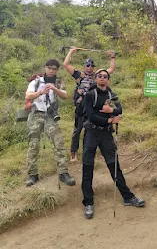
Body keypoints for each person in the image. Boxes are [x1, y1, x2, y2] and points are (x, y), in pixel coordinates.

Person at [82, 69, 145, 219]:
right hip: (91, 132)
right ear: (96, 79)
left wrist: (112, 110)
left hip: (105, 134)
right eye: (100, 76)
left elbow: (120, 109)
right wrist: (109, 119)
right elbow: (90, 115)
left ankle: (128, 197)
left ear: (108, 79)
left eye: (105, 76)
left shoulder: (112, 94)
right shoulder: (90, 94)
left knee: (114, 165)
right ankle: (88, 202)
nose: (102, 78)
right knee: (87, 166)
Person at [25, 59, 75, 187]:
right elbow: (28, 96)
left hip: (50, 116)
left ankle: (63, 173)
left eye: (54, 69)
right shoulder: (36, 81)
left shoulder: (58, 82)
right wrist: (41, 92)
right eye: (49, 68)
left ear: (57, 70)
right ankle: (32, 174)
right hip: (36, 114)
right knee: (33, 145)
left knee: (59, 143)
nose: (51, 70)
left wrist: (54, 89)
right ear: (45, 68)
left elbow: (64, 95)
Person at [63, 47, 116, 161]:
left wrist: (112, 57)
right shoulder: (79, 75)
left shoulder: (97, 76)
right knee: (78, 130)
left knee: (94, 129)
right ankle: (73, 153)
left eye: (92, 66)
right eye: (88, 65)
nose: (90, 68)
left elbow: (111, 69)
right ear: (84, 66)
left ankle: (96, 151)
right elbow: (66, 64)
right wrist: (71, 51)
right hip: (82, 107)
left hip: (93, 107)